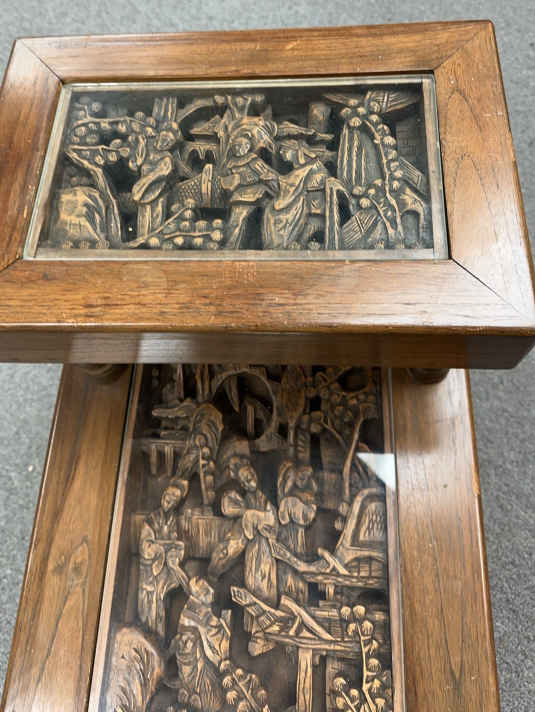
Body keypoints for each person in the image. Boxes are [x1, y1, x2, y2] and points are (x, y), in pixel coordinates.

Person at [208, 456, 278, 630]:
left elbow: (272, 522)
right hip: (252, 551)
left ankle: (267, 628)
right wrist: (249, 515)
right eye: (244, 481)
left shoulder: (265, 499)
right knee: (252, 587)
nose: (248, 482)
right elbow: (228, 508)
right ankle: (254, 630)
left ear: (255, 474)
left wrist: (256, 517)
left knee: (265, 587)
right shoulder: (243, 502)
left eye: (250, 476)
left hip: (267, 552)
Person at [138, 480, 189, 638]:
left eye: (175, 498)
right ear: (164, 494)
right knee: (148, 605)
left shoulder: (172, 520)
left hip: (163, 574)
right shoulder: (151, 519)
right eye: (170, 494)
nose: (171, 499)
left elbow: (174, 543)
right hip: (149, 572)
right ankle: (147, 635)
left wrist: (173, 554)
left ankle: (158, 639)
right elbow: (146, 546)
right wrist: (162, 548)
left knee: (160, 604)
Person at [262, 139, 330, 249]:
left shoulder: (310, 165)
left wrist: (276, 179)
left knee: (274, 214)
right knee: (270, 210)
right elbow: (292, 182)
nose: (281, 153)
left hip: (312, 204)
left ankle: (280, 244)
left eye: (284, 150)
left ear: (294, 150)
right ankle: (276, 245)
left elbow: (292, 184)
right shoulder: (302, 166)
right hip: (301, 199)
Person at [277, 461, 318, 602]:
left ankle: (298, 599)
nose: (304, 481)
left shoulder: (304, 498)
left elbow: (307, 517)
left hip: (299, 541)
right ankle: (288, 599)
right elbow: (284, 517)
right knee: (288, 570)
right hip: (288, 539)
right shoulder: (288, 501)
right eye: (301, 477)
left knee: (297, 569)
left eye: (307, 478)